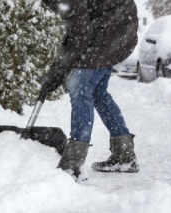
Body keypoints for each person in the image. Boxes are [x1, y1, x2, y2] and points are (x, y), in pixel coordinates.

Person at [41, 0, 140, 180]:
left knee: (79, 90)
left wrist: (59, 70)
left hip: (109, 33)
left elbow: (79, 33)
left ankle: (73, 164)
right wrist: (58, 69)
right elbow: (76, 30)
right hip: (116, 29)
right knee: (97, 93)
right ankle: (124, 154)